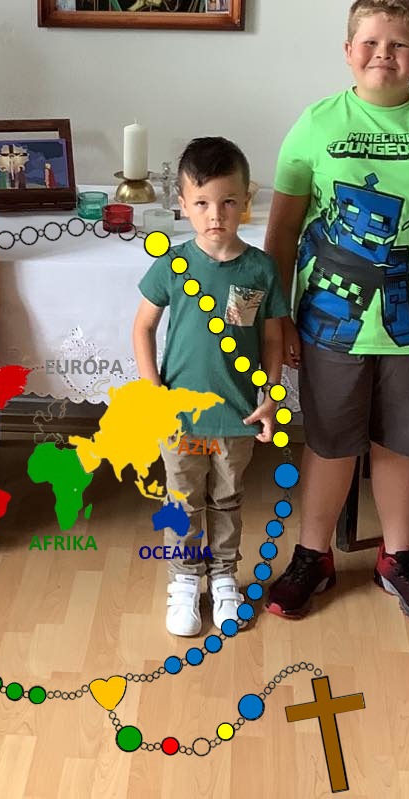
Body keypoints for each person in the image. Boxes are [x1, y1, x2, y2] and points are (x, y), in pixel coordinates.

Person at [264, 0, 409, 623]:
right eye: (370, 42)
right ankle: (312, 556)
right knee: (330, 443)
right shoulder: (316, 123)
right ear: (347, 50)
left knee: (401, 444)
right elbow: (282, 232)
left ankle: (400, 557)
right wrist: (279, 319)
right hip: (329, 322)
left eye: (399, 44)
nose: (383, 54)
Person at [134, 137, 286, 636]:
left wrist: (271, 398)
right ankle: (183, 581)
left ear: (245, 201)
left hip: (238, 417)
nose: (215, 214)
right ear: (183, 205)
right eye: (201, 203)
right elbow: (143, 327)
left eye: (227, 201)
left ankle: (223, 578)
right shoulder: (173, 264)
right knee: (183, 499)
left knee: (227, 498)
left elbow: (272, 339)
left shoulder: (260, 269)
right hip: (181, 418)